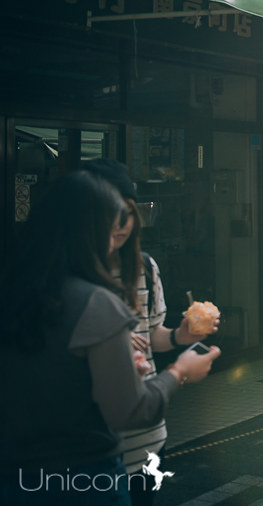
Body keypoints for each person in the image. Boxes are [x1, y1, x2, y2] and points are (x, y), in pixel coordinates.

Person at [1, 171, 219, 505]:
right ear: (89, 230)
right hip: (88, 473)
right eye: (111, 228)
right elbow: (129, 410)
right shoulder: (94, 302)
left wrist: (175, 337)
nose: (117, 237)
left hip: (20, 475)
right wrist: (180, 371)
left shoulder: (18, 293)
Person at [82, 159, 218, 505]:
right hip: (90, 439)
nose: (119, 223)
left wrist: (180, 337)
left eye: (127, 212)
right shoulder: (68, 277)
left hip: (147, 431)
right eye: (106, 210)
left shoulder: (144, 268)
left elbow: (153, 333)